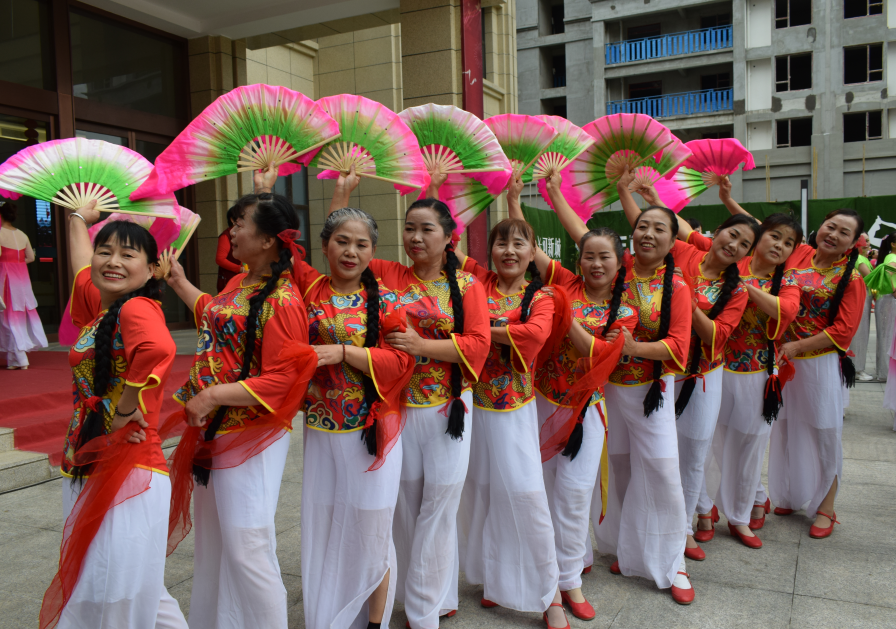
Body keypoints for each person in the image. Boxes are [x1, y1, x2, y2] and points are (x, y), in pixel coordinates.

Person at [330, 170, 490, 629]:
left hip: (448, 410)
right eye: (409, 228)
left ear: (449, 238)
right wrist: (342, 193)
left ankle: (423, 613)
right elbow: (343, 247)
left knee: (439, 507)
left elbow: (478, 344)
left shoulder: (467, 287)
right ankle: (419, 595)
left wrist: (423, 347)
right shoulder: (386, 273)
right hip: (396, 410)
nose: (415, 237)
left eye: (427, 229)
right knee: (404, 506)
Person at [163, 168, 317, 629]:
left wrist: (211, 394)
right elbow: (214, 314)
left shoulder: (285, 300)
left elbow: (285, 379)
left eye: (240, 223)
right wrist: (176, 280)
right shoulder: (240, 283)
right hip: (216, 432)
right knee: (216, 543)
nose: (231, 230)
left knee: (247, 543)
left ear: (269, 239)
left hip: (251, 435)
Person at [545, 166, 694, 603]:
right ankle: (600, 549)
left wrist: (631, 349)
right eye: (642, 226)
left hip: (647, 392)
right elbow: (583, 235)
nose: (648, 234)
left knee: (664, 472)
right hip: (598, 389)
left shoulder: (677, 287)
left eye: (659, 229)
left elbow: (679, 347)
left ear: (672, 241)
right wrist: (554, 193)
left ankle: (672, 564)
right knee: (605, 473)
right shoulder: (616, 268)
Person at [41, 201, 187, 629]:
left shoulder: (136, 308)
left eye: (128, 254)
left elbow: (159, 350)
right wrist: (77, 220)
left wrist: (125, 409)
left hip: (128, 468)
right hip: (91, 462)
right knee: (137, 592)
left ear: (151, 268)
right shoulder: (101, 310)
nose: (113, 261)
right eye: (106, 251)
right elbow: (82, 270)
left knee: (111, 591)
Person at [504, 175, 637, 620]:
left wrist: (562, 308)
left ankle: (570, 581)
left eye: (605, 257)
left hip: (585, 411)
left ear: (620, 264)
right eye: (588, 256)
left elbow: (597, 354)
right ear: (578, 260)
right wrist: (514, 200)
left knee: (576, 493)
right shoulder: (562, 282)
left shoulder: (626, 311)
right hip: (539, 401)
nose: (596, 264)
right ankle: (542, 580)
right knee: (536, 493)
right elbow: (525, 247)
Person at [619, 171, 756, 560]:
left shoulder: (739, 290)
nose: (735, 245)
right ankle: (670, 522)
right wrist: (626, 192)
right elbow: (647, 228)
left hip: (702, 376)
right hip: (662, 372)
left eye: (745, 244)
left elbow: (715, 337)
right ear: (718, 233)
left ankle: (685, 529)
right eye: (732, 235)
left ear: (747, 254)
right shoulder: (685, 253)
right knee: (663, 455)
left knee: (694, 452)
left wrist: (686, 305)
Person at [295, 206, 416, 629]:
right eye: (341, 241)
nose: (350, 251)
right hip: (321, 428)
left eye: (361, 244)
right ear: (325, 245)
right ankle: (329, 612)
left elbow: (402, 363)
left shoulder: (388, 300)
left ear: (372, 252)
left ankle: (373, 621)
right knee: (327, 522)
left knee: (372, 525)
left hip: (373, 429)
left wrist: (346, 352)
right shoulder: (306, 293)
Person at [447, 211, 569, 629]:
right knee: (475, 494)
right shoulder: (477, 284)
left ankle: (549, 594)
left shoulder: (544, 296)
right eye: (502, 243)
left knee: (525, 496)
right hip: (467, 407)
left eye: (520, 243)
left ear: (534, 252)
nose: (510, 251)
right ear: (491, 251)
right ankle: (489, 578)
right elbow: (449, 246)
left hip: (513, 411)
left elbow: (533, 336)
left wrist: (481, 331)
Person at [698, 179, 803, 548]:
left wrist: (745, 286)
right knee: (706, 442)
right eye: (774, 236)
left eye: (789, 243)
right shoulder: (733, 261)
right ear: (759, 238)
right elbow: (680, 232)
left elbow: (786, 311)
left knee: (748, 448)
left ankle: (740, 516)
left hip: (758, 376)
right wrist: (647, 198)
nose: (779, 245)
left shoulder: (785, 280)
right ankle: (704, 508)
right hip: (713, 371)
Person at [767, 209, 866, 538]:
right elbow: (762, 230)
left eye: (844, 233)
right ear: (820, 226)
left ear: (852, 244)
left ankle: (827, 506)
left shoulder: (851, 279)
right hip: (785, 361)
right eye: (831, 226)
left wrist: (798, 347)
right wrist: (726, 197)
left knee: (824, 432)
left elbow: (842, 332)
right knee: (784, 428)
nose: (834, 234)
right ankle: (792, 495)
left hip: (819, 364)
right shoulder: (800, 254)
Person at [0, 200, 47, 368]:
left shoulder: (0, 233)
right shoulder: (22, 234)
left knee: (8, 317)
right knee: (18, 315)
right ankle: (13, 359)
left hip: (6, 277)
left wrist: (7, 264)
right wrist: (17, 264)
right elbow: (31, 258)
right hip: (22, 278)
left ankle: (20, 358)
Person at [872, 233, 896, 382]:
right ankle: (885, 373)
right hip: (889, 299)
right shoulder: (892, 258)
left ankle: (884, 372)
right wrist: (894, 290)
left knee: (886, 336)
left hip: (887, 299)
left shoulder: (889, 257)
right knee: (887, 336)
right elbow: (889, 272)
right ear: (893, 244)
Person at [852, 234, 874, 381]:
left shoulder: (863, 258)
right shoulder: (858, 259)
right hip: (861, 298)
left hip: (866, 298)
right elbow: (871, 278)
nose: (868, 243)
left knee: (862, 334)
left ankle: (858, 367)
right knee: (859, 335)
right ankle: (857, 369)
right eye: (865, 240)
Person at [216, 204, 242, 293]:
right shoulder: (225, 236)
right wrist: (240, 269)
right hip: (230, 281)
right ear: (232, 220)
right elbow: (220, 259)